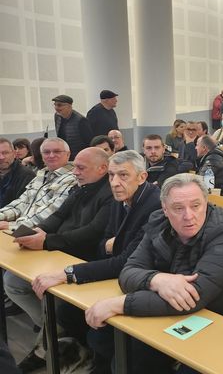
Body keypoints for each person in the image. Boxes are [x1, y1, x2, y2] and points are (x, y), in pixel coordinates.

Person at [85, 174, 223, 374]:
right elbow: (129, 271)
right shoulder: (157, 222)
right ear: (165, 209)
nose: (189, 215)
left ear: (206, 204)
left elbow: (193, 297)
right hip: (175, 312)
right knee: (104, 338)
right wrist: (157, 279)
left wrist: (119, 304)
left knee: (140, 355)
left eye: (196, 205)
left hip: (222, 318)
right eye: (178, 208)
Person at [31, 150, 161, 371]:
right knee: (66, 312)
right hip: (119, 277)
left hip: (144, 283)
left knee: (99, 335)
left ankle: (102, 363)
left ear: (142, 177)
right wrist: (114, 247)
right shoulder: (119, 201)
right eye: (111, 175)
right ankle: (88, 356)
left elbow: (124, 261)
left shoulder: (154, 207)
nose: (115, 182)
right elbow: (102, 245)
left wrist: (68, 272)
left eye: (123, 175)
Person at [5, 147, 112, 371]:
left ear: (102, 168)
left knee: (56, 303)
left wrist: (46, 241)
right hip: (58, 251)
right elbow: (58, 215)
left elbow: (91, 233)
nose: (75, 172)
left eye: (81, 168)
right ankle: (54, 331)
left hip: (80, 259)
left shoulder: (109, 193)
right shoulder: (80, 188)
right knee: (13, 283)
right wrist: (36, 232)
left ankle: (47, 347)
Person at [0, 138, 76, 231]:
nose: (51, 155)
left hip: (43, 234)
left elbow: (50, 212)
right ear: (42, 155)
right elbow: (22, 202)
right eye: (46, 152)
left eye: (57, 151)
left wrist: (14, 225)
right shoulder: (41, 175)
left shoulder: (73, 178)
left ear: (68, 154)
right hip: (23, 229)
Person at [0, 138, 35, 208]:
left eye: (5, 153)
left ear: (14, 154)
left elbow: (24, 206)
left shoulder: (27, 176)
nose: (1, 157)